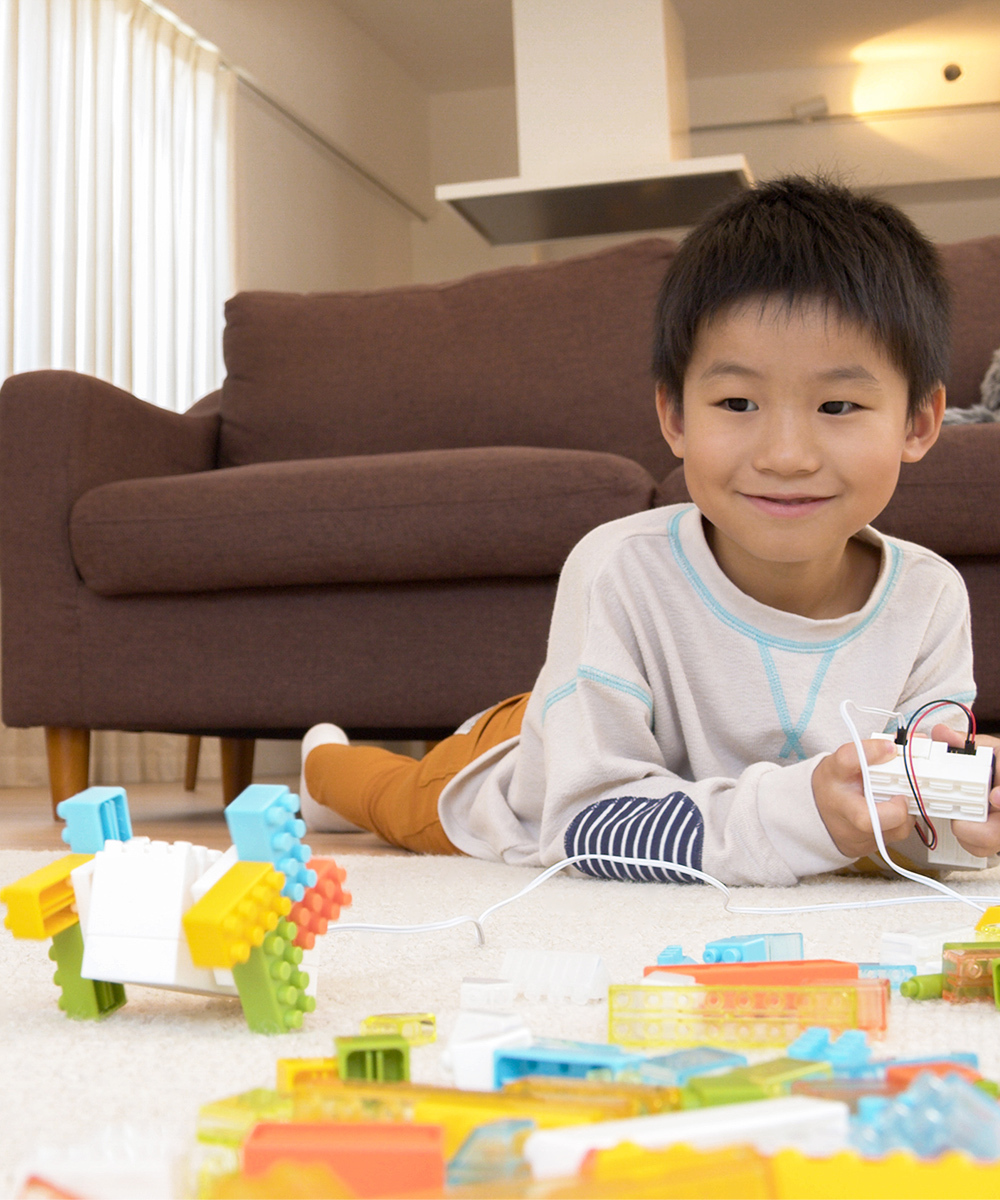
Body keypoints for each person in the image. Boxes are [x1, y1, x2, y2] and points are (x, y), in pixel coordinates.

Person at [299, 176, 1000, 886]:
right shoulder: (618, 569)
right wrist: (804, 814)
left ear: (918, 423)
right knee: (386, 794)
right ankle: (320, 769)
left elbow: (907, 832)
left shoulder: (930, 596)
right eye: (737, 402)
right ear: (675, 418)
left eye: (839, 405)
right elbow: (588, 827)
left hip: (636, 749)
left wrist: (960, 819)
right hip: (534, 760)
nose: (787, 455)